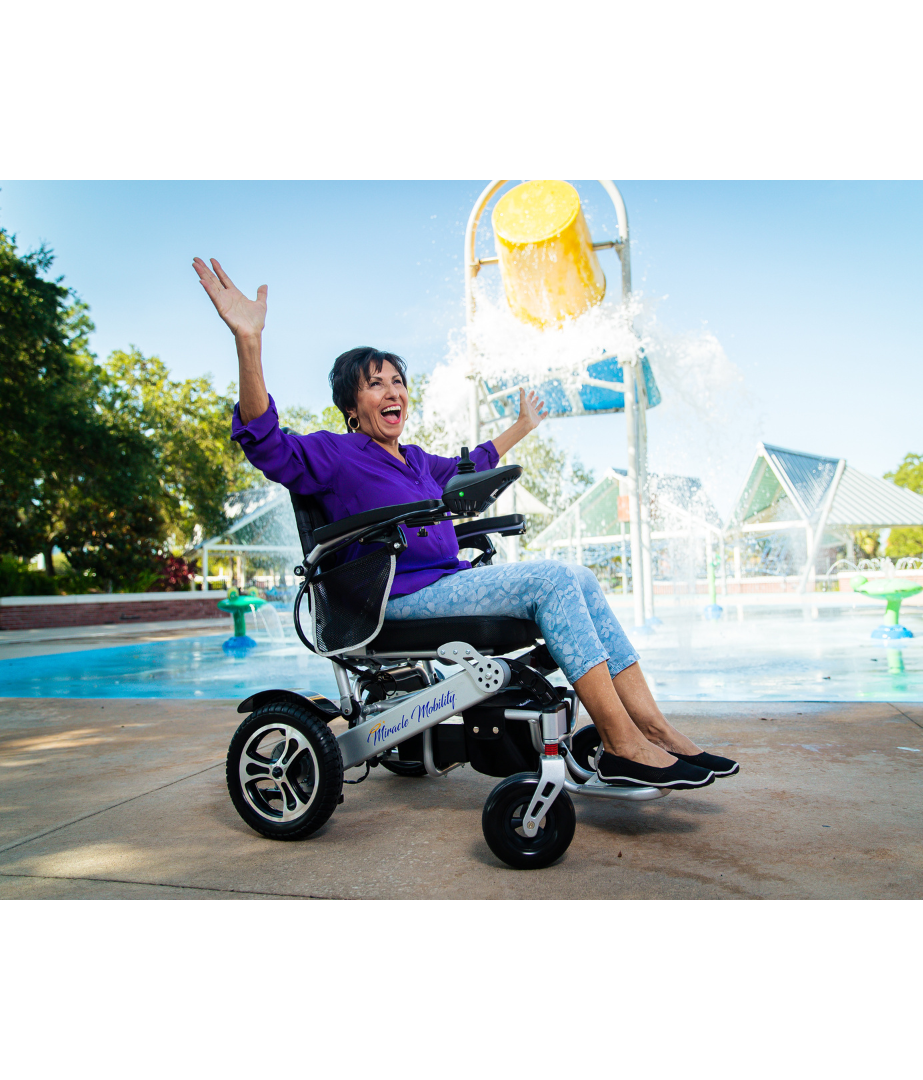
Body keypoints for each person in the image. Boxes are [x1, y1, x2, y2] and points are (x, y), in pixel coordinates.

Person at [194, 257, 739, 789]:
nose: (394, 392)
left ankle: (654, 728)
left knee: (582, 578)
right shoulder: (335, 454)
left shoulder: (413, 460)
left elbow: (469, 467)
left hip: (445, 582)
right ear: (352, 405)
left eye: (399, 382)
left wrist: (522, 426)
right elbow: (265, 443)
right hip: (393, 600)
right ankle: (622, 745)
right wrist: (249, 340)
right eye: (377, 384)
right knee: (551, 579)